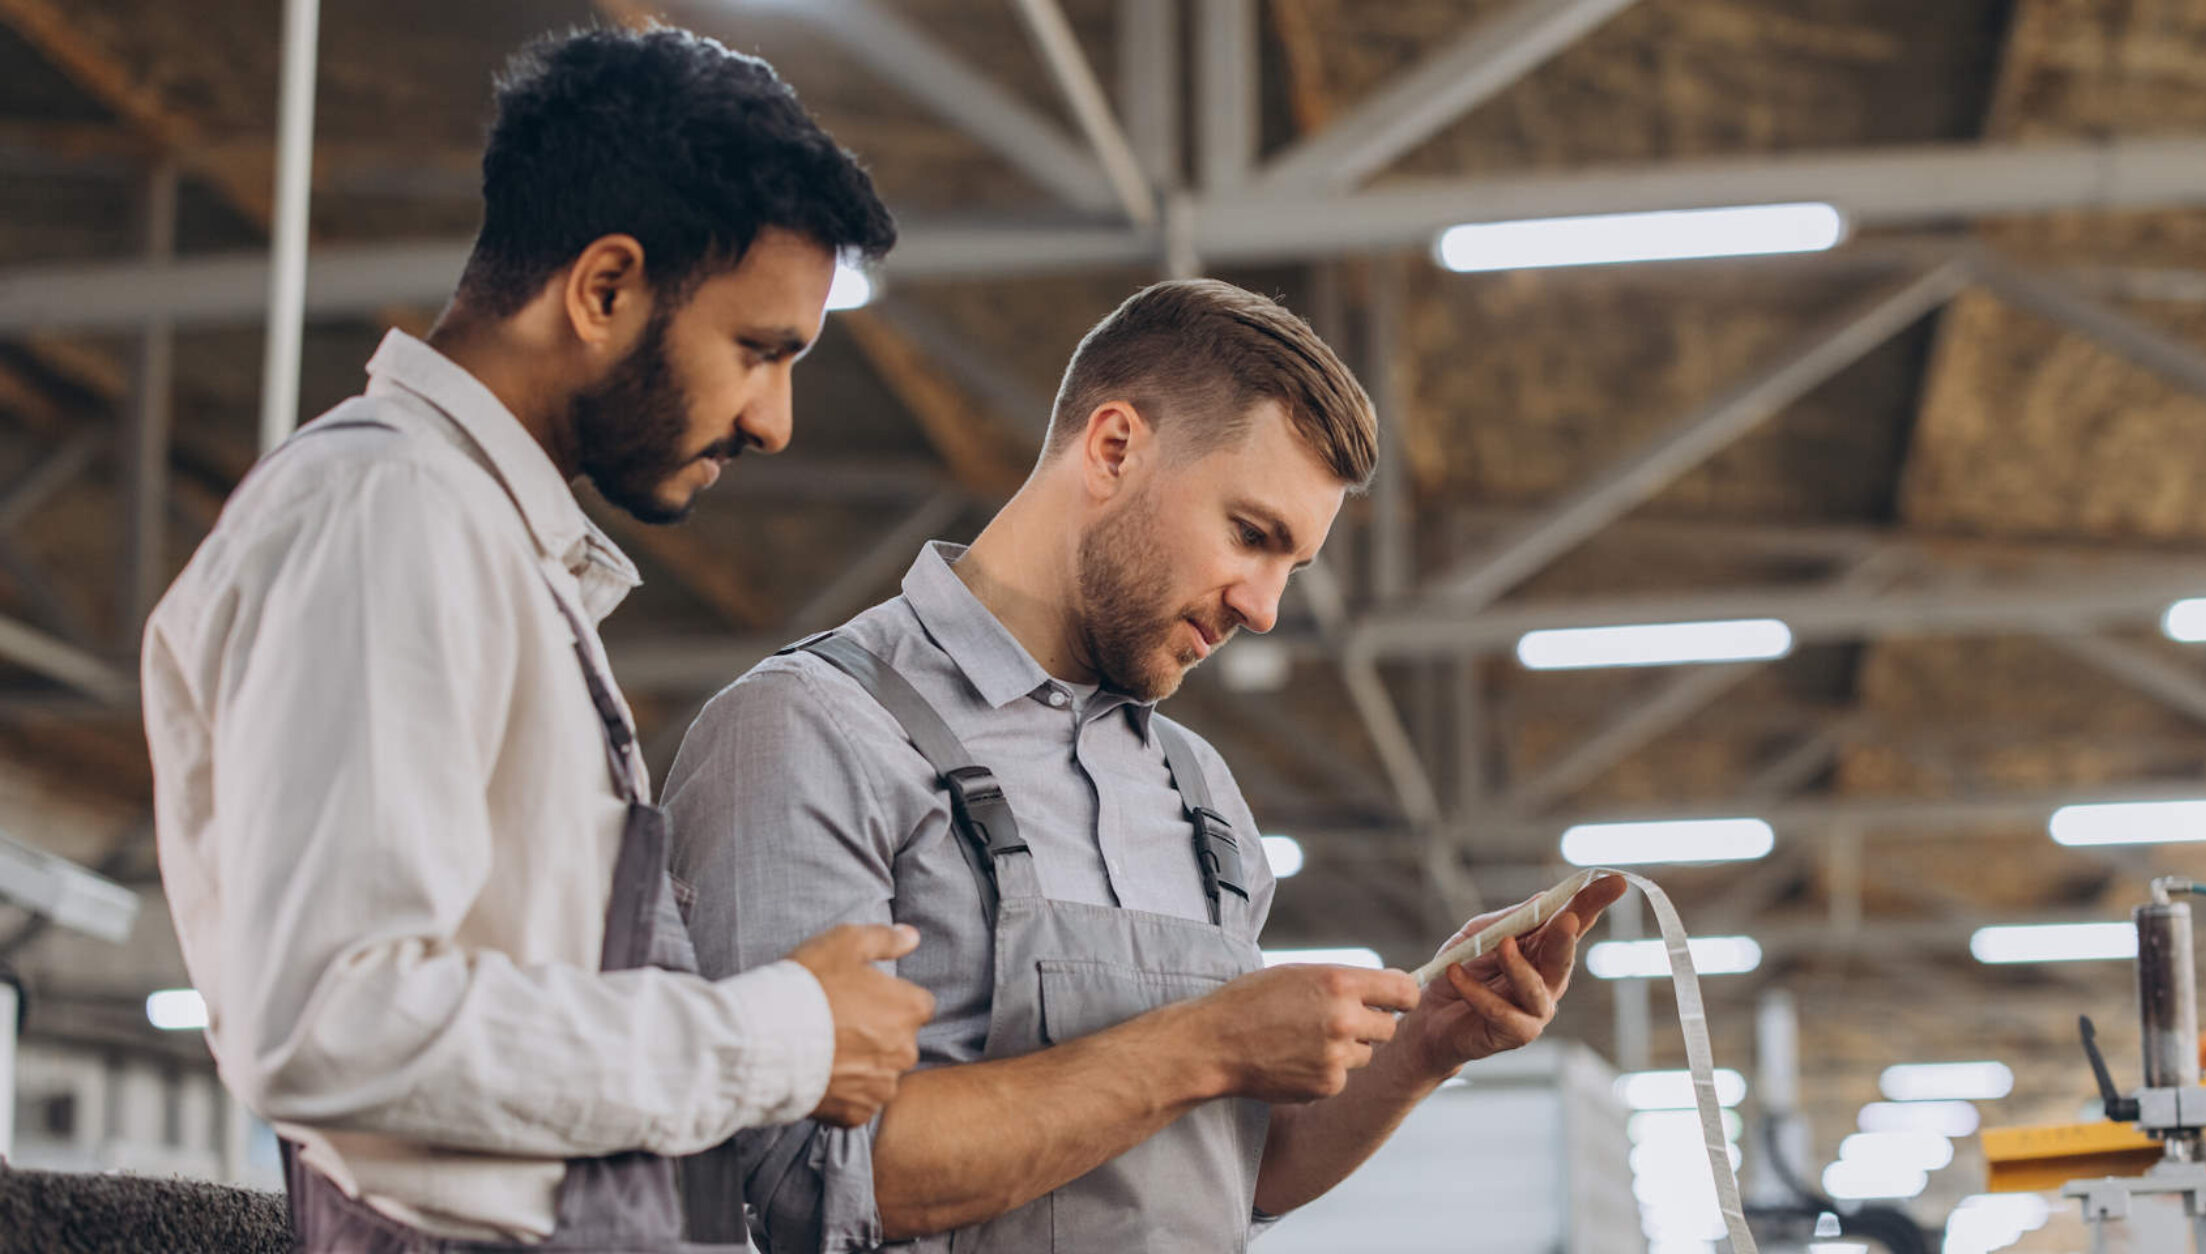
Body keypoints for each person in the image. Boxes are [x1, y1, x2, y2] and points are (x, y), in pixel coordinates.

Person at [141, 26, 934, 1250]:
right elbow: (334, 1021)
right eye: (758, 351)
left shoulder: (474, 534)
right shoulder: (387, 513)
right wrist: (780, 1037)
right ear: (604, 289)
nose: (773, 420)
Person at [663, 278, 1626, 1251]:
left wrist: (1423, 1048)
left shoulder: (1198, 791)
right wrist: (1205, 1045)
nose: (1264, 608)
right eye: (1251, 535)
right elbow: (799, 1184)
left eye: (1292, 566)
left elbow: (1234, 1170)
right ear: (1115, 448)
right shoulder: (812, 730)